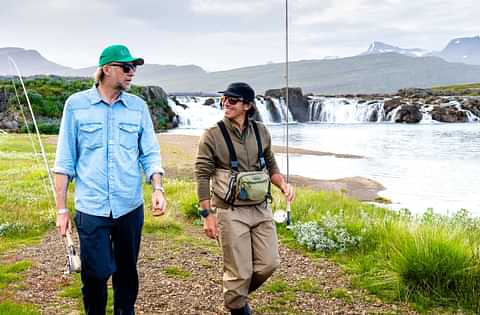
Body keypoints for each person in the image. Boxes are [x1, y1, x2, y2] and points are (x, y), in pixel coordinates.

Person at [54, 44, 166, 315]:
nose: (132, 73)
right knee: (95, 274)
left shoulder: (138, 107)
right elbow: (65, 160)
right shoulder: (76, 105)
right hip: (91, 208)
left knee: (127, 273)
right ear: (106, 69)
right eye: (126, 67)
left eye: (135, 68)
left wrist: (157, 187)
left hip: (130, 206)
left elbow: (149, 151)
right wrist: (61, 209)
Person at [195, 82, 295, 315]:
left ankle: (235, 297)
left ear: (248, 106)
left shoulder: (262, 131)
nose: (226, 104)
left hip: (261, 208)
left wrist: (283, 185)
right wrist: (206, 215)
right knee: (239, 272)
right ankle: (238, 304)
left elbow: (271, 165)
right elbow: (201, 176)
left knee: (269, 264)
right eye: (224, 99)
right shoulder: (212, 135)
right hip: (229, 211)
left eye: (232, 100)